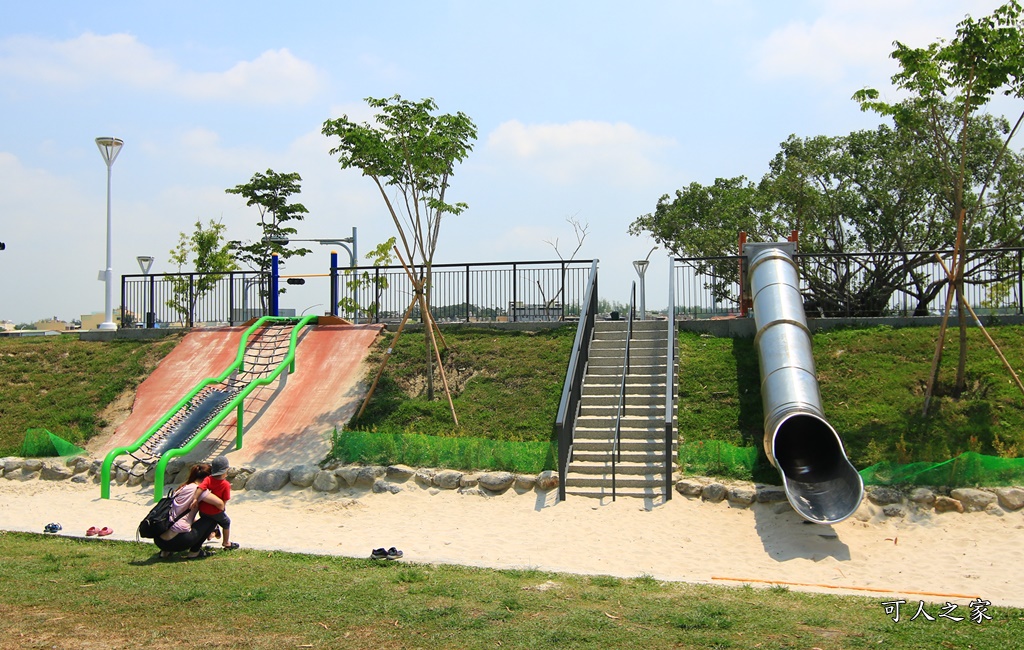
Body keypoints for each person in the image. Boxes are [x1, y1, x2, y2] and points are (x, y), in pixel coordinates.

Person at [154, 463, 224, 559]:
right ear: (208, 478)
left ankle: (165, 552)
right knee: (212, 518)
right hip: (176, 542)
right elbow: (220, 504)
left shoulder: (182, 487)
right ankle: (194, 552)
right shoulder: (199, 490)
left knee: (176, 521)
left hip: (159, 540)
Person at [197, 455, 238, 550]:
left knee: (209, 521)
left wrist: (195, 499)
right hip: (215, 511)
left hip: (202, 510)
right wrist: (222, 508)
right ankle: (226, 543)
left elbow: (201, 488)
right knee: (226, 522)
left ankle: (212, 532)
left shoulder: (207, 479)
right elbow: (224, 500)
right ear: (225, 470)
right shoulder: (226, 485)